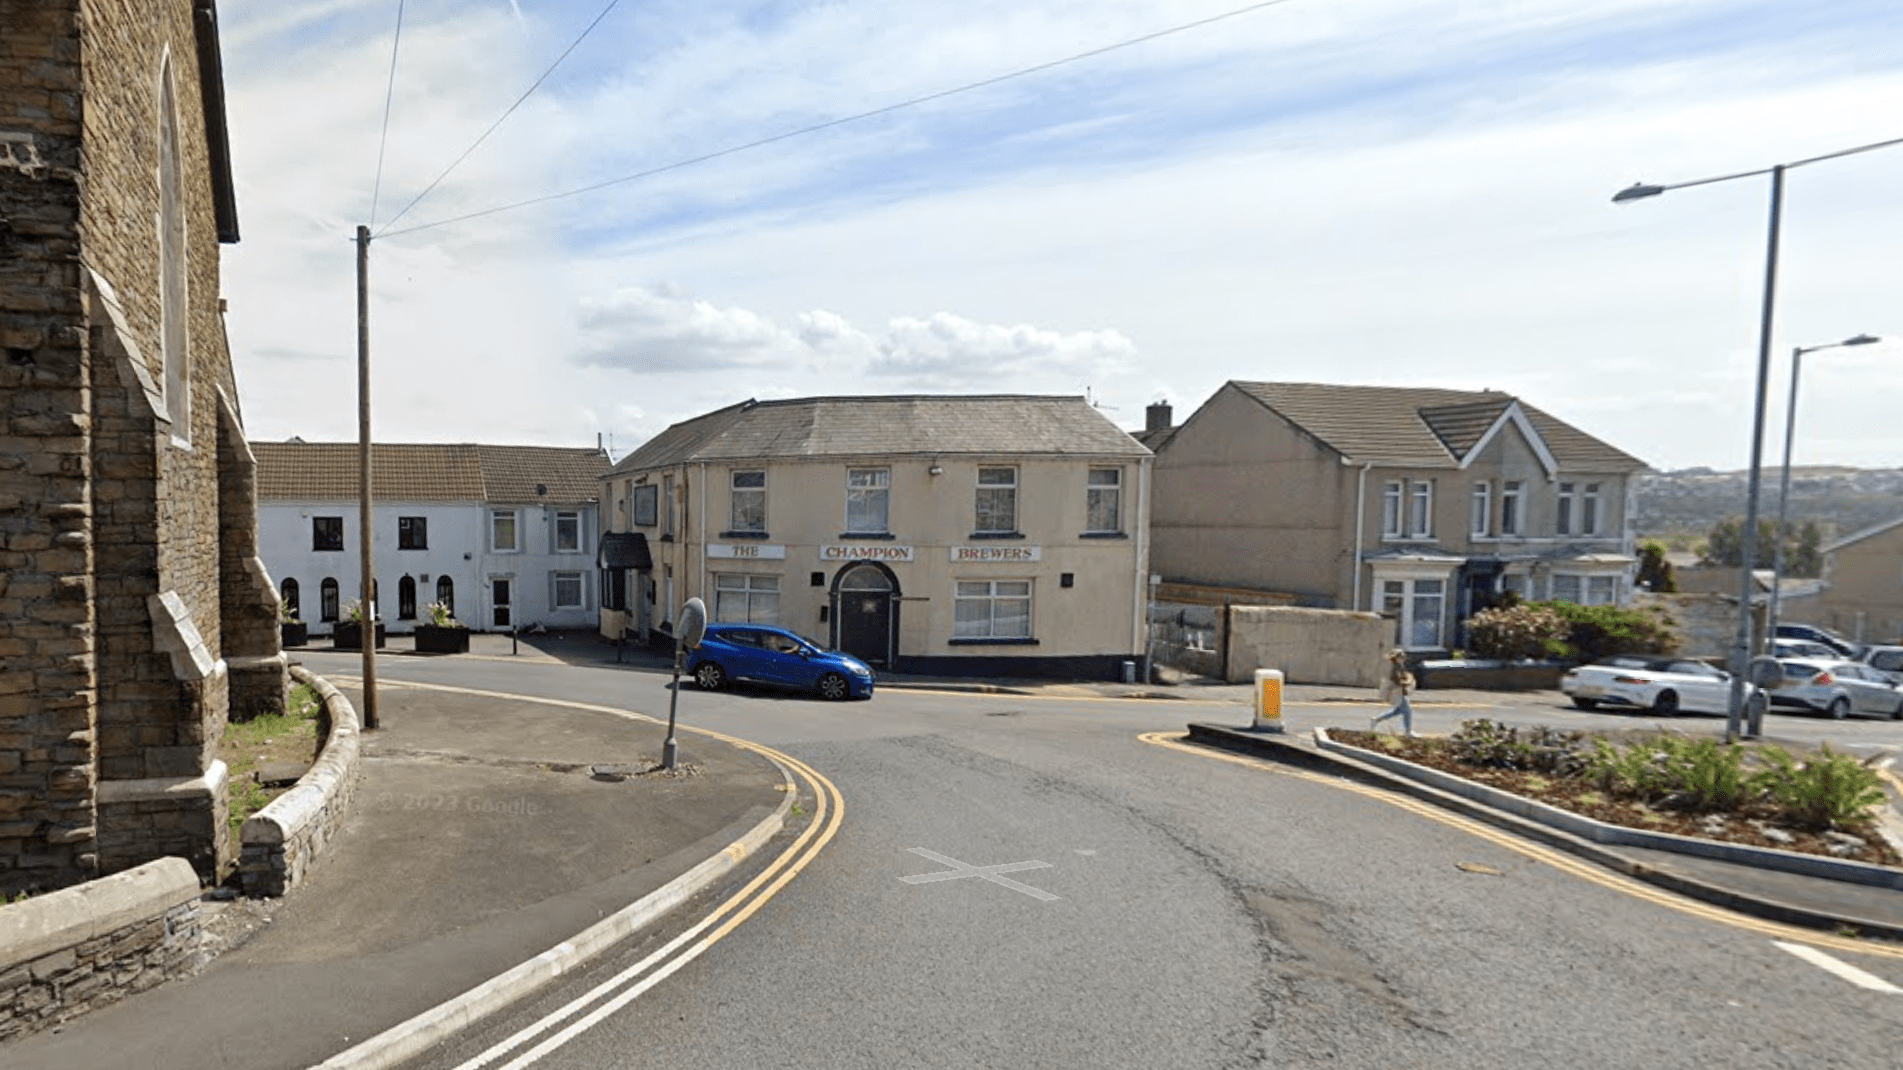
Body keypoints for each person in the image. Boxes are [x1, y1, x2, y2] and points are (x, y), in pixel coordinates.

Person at [1372, 648, 1415, 735]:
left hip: (1399, 691)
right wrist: (1405, 682)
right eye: (1401, 656)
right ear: (1397, 657)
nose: (1403, 657)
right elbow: (1395, 679)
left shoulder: (1399, 665)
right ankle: (1408, 731)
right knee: (1408, 710)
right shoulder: (1396, 666)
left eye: (1403, 655)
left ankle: (1376, 720)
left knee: (1397, 711)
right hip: (1398, 691)